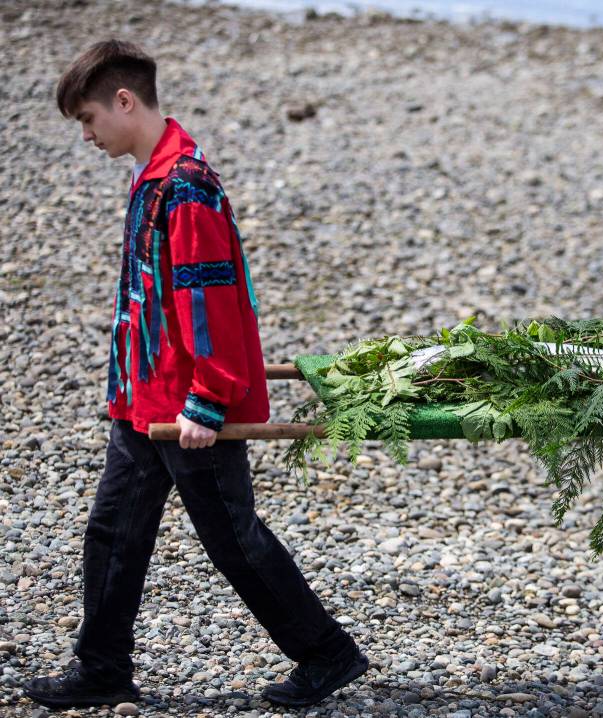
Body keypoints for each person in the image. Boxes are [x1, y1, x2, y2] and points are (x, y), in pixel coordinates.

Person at [24, 39, 368, 709]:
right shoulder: (150, 173)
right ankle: (101, 668)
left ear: (125, 101)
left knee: (234, 540)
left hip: (188, 407)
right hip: (145, 401)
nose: (88, 135)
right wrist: (124, 390)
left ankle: (328, 654)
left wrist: (209, 400)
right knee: (113, 531)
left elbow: (208, 299)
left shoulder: (185, 185)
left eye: (90, 119)